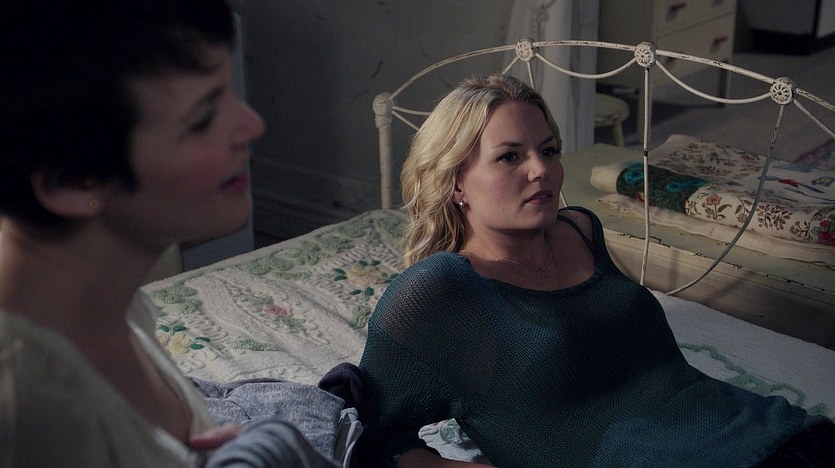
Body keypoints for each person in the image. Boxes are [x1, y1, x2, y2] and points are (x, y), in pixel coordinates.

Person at [355, 74, 835, 467]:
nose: (541, 170)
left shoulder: (580, 229)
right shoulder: (440, 288)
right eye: (509, 157)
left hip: (770, 431)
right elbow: (370, 429)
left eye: (548, 150)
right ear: (456, 182)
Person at [0, 1, 339, 466]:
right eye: (201, 120)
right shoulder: (28, 400)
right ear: (71, 181)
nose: (252, 125)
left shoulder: (102, 296)